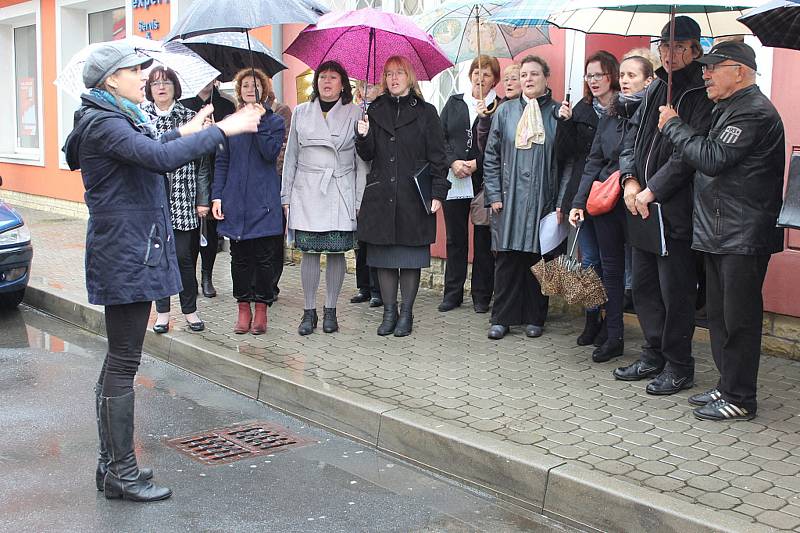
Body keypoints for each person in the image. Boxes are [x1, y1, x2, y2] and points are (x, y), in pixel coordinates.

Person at [62, 41, 260, 501]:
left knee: (119, 360)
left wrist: (188, 129)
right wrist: (225, 129)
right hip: (126, 252)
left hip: (129, 249)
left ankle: (112, 468)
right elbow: (156, 159)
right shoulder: (104, 122)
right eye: (135, 70)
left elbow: (150, 147)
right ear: (111, 79)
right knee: (123, 361)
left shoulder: (110, 118)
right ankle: (121, 471)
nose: (143, 76)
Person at [658, 41, 785, 420]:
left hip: (742, 233)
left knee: (739, 320)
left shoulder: (755, 113)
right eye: (705, 68)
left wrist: (675, 127)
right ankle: (726, 384)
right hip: (718, 230)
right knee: (719, 317)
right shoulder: (726, 109)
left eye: (714, 67)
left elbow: (712, 159)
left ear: (741, 71)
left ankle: (741, 396)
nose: (705, 74)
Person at [613, 17, 714, 394]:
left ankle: (679, 363)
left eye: (678, 47)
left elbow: (687, 157)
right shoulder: (656, 87)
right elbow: (632, 139)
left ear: (696, 49)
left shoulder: (700, 92)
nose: (669, 54)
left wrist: (651, 190)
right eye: (664, 46)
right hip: (641, 204)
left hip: (675, 210)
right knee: (644, 287)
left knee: (677, 292)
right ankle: (652, 353)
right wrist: (630, 180)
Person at [355, 55, 450, 337]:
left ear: (409, 77)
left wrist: (438, 192)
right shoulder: (374, 110)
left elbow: (438, 157)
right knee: (383, 258)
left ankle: (406, 314)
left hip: (413, 196)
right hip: (381, 194)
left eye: (399, 73)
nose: (393, 78)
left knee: (409, 258)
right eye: (388, 74)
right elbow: (368, 154)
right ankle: (389, 312)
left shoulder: (426, 112)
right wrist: (363, 135)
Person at [569, 55, 655, 362]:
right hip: (607, 201)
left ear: (649, 80)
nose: (626, 79)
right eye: (623, 74)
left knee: (646, 276)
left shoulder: (653, 113)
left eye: (633, 74)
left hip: (640, 202)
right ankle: (614, 335)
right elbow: (593, 160)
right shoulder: (610, 113)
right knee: (611, 271)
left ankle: (655, 347)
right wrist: (579, 202)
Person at [483, 55, 569, 340]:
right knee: (507, 259)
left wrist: (561, 202)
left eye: (534, 74)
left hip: (544, 197)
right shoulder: (505, 111)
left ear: (546, 77)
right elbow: (491, 156)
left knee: (539, 258)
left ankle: (536, 316)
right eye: (523, 75)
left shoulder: (558, 113)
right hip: (508, 199)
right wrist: (493, 193)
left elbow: (568, 160)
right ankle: (502, 317)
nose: (528, 79)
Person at [282, 61, 368, 335]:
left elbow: (361, 163)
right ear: (315, 82)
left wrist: (359, 199)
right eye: (322, 78)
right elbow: (291, 156)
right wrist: (286, 196)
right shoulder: (301, 112)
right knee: (309, 252)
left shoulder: (356, 113)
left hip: (340, 189)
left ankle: (330, 310)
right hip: (307, 190)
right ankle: (309, 311)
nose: (327, 82)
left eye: (333, 78)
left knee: (336, 253)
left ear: (343, 84)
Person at [212, 68, 286, 335]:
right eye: (245, 86)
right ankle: (243, 308)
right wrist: (217, 196)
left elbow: (269, 154)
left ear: (264, 90)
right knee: (240, 259)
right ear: (239, 91)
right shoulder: (229, 122)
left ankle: (262, 309)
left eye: (255, 85)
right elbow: (221, 162)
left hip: (263, 201)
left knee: (264, 259)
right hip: (235, 201)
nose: (250, 89)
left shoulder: (274, 122)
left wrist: (257, 124)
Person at [557, 51, 621, 348]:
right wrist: (566, 123)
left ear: (612, 75)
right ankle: (591, 319)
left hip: (613, 193)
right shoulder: (580, 109)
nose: (593, 81)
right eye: (589, 75)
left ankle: (612, 321)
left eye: (598, 74)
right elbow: (565, 155)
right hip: (584, 193)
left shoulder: (625, 109)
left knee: (613, 263)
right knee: (588, 261)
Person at [141, 67, 210, 334]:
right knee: (159, 258)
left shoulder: (189, 117)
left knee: (183, 258)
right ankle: (162, 314)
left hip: (184, 195)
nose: (161, 87)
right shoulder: (140, 119)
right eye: (156, 83)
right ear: (149, 89)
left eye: (167, 82)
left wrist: (202, 199)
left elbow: (203, 165)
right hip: (153, 199)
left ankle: (190, 311)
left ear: (175, 87)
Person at [439, 55, 502, 314]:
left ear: (494, 80)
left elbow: (498, 144)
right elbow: (439, 138)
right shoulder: (454, 103)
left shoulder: (498, 107)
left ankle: (481, 296)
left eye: (486, 74)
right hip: (454, 179)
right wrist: (453, 162)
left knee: (483, 239)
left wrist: (475, 163)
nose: (480, 77)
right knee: (456, 239)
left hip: (481, 181)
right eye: (476, 72)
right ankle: (452, 294)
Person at [180, 79, 237, 298]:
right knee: (191, 231)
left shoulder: (226, 105)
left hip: (216, 172)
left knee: (211, 231)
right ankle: (190, 279)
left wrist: (216, 133)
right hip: (190, 172)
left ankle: (207, 277)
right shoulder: (184, 104)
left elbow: (230, 142)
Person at [350, 80, 383, 307]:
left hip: (377, 180)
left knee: (375, 239)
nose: (367, 90)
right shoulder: (355, 113)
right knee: (360, 240)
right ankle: (363, 285)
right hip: (357, 180)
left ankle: (377, 289)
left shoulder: (382, 112)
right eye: (364, 86)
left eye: (372, 86)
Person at [268, 88, 293, 302]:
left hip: (276, 178)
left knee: (275, 233)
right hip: (251, 184)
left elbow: (285, 146)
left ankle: (271, 284)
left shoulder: (282, 112)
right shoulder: (238, 113)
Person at [477, 63, 521, 153]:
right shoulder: (499, 110)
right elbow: (487, 147)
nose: (509, 83)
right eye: (506, 80)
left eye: (514, 79)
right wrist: (483, 119)